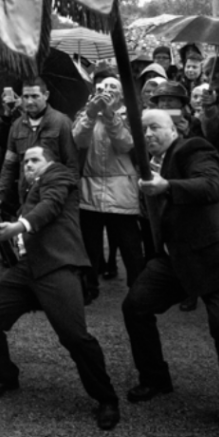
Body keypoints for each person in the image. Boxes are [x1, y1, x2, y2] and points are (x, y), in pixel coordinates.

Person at [122, 110, 219, 437]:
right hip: (175, 259)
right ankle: (155, 377)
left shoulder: (193, 148)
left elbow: (211, 185)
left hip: (217, 260)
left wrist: (167, 185)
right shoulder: (148, 163)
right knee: (135, 307)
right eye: (142, 129)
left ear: (174, 129)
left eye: (155, 127)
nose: (147, 134)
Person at [0, 146, 120, 432]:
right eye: (25, 161)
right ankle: (4, 377)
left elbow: (50, 205)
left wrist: (18, 226)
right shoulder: (31, 191)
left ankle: (106, 398)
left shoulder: (59, 175)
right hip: (26, 269)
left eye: (35, 160)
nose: (28, 164)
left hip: (56, 264)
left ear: (50, 163)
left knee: (75, 336)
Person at [72, 77, 143, 302]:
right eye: (102, 87)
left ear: (121, 95)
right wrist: (91, 115)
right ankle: (88, 288)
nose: (107, 90)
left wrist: (110, 116)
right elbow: (78, 141)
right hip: (90, 186)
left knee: (130, 244)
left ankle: (138, 290)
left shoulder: (131, 116)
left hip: (122, 187)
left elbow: (125, 144)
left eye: (113, 87)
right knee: (90, 245)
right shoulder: (86, 114)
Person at [0, 77, 79, 217]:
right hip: (27, 199)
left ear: (46, 95)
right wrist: (0, 195)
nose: (29, 101)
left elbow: (72, 164)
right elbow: (9, 164)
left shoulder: (62, 123)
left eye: (35, 96)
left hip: (55, 197)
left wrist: (71, 201)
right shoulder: (17, 126)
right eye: (25, 96)